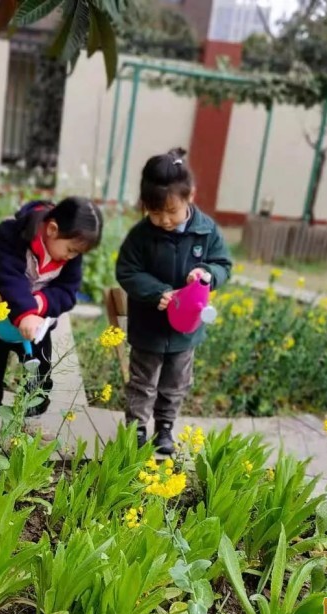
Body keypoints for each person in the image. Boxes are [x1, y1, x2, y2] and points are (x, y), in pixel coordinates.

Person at [115, 147, 232, 454]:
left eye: (171, 212)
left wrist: (207, 274)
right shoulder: (141, 236)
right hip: (149, 326)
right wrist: (157, 292)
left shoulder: (206, 232)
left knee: (175, 383)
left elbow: (223, 265)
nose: (164, 220)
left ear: (190, 196)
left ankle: (164, 429)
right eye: (155, 213)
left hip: (186, 328)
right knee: (142, 382)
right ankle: (137, 430)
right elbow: (127, 270)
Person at [0, 197, 103, 456]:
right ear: (52, 229)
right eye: (71, 250)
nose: (72, 257)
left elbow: (67, 292)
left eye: (77, 253)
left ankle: (31, 421)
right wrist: (26, 313)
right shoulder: (11, 233)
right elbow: (9, 277)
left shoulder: (69, 254)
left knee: (39, 372)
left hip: (38, 324)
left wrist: (40, 305)